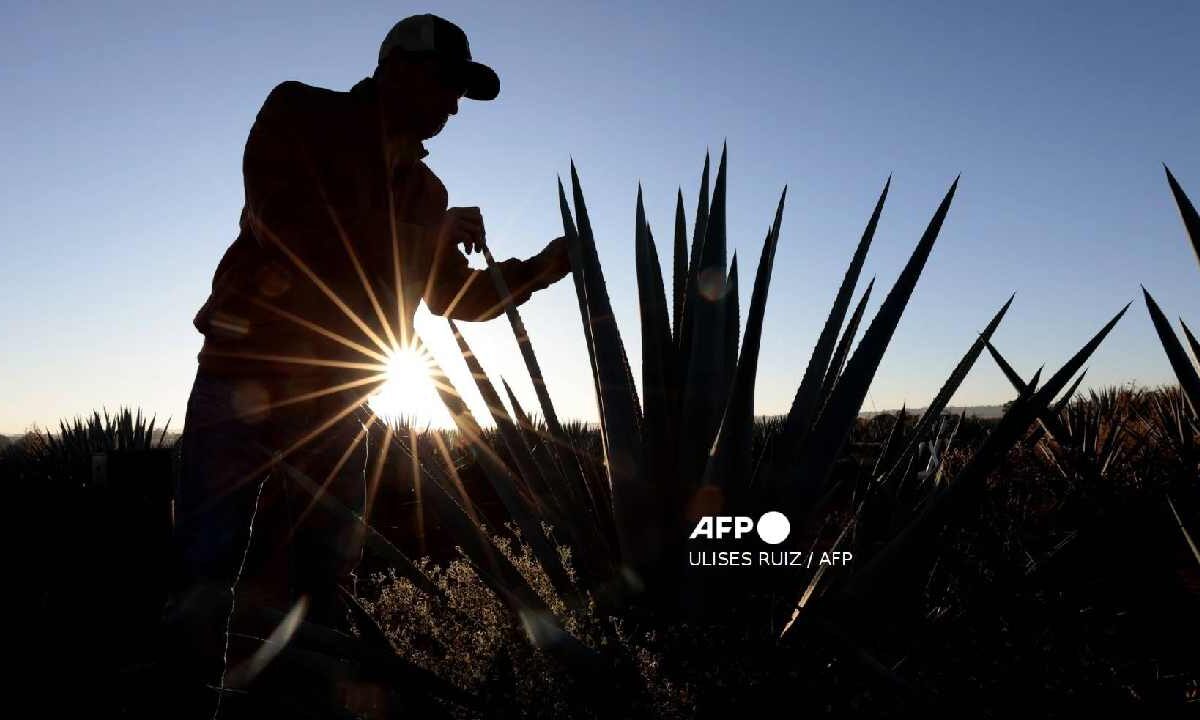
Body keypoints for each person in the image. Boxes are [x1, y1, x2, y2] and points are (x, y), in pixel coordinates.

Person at [167, 13, 571, 712]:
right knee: (209, 562)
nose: (452, 106)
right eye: (446, 84)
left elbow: (452, 297)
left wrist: (538, 269)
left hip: (337, 399)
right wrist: (423, 236)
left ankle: (305, 704)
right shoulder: (299, 112)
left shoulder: (428, 193)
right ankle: (187, 700)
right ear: (397, 65)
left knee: (328, 572)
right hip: (245, 374)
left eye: (460, 95)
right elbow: (286, 225)